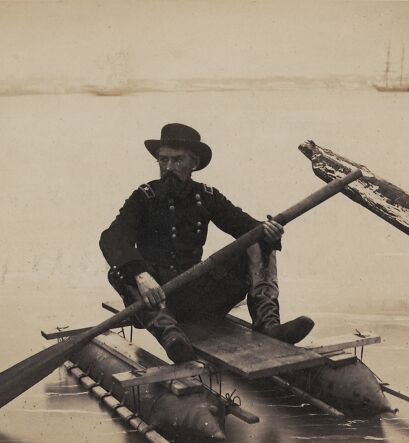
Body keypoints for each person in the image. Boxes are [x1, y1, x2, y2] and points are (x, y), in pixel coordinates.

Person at [99, 123, 313, 363]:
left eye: (178, 160)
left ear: (194, 163)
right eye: (163, 160)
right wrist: (141, 275)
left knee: (258, 240)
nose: (168, 168)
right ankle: (171, 337)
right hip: (152, 300)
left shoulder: (207, 196)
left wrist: (270, 233)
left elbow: (246, 226)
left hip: (196, 299)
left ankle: (268, 324)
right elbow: (111, 238)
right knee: (121, 270)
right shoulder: (143, 197)